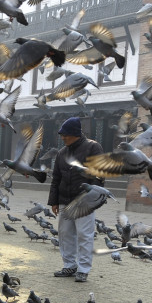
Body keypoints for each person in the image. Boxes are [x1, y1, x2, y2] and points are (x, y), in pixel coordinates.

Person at [48, 117, 104, 282]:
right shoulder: (61, 153)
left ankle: (83, 269)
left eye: (65, 135)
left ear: (75, 134)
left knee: (84, 235)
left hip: (84, 201)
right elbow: (56, 178)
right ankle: (69, 266)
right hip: (65, 199)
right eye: (61, 135)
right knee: (65, 234)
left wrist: (92, 198)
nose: (63, 138)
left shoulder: (93, 147)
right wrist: (54, 201)